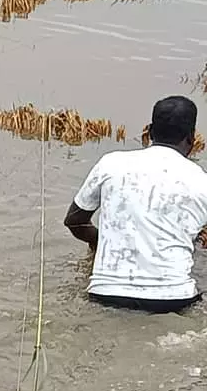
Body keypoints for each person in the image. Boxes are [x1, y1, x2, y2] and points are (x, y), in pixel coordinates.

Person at [64, 96, 207, 313]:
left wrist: (101, 240)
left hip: (105, 294)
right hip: (173, 300)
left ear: (149, 131)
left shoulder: (110, 164)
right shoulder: (201, 181)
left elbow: (74, 221)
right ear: (191, 138)